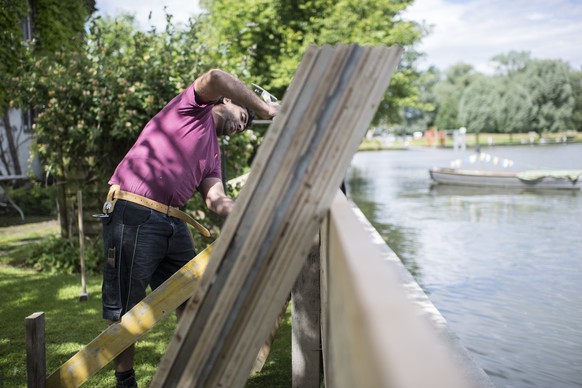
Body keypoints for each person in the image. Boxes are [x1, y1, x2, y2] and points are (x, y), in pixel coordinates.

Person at [100, 69, 279, 388]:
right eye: (243, 115)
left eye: (247, 125)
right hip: (133, 208)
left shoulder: (213, 152)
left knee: (193, 296)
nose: (243, 125)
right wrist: (265, 109)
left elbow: (216, 199)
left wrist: (249, 214)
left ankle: (194, 373)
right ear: (227, 100)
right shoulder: (191, 108)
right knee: (126, 306)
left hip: (172, 221)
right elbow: (215, 76)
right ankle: (125, 380)